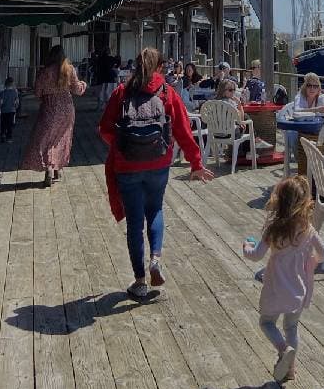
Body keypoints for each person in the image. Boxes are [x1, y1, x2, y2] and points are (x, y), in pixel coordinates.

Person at [99, 47, 214, 298]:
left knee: (134, 222)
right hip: (159, 163)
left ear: (135, 66)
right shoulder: (167, 92)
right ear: (159, 68)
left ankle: (139, 281)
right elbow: (183, 131)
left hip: (127, 166)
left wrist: (123, 148)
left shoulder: (121, 92)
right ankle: (155, 259)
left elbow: (105, 129)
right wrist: (195, 163)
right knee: (156, 210)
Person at [243, 175, 324, 382]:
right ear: (304, 202)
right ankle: (290, 369)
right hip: (299, 289)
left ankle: (283, 350)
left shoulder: (273, 230)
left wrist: (246, 246)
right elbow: (323, 252)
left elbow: (256, 256)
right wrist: (312, 262)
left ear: (279, 200)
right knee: (291, 327)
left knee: (266, 322)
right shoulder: (308, 229)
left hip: (276, 288)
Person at [21, 45, 87, 186]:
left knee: (46, 140)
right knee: (62, 140)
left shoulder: (45, 72)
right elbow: (77, 90)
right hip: (67, 109)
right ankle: (57, 169)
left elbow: (37, 92)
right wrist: (83, 84)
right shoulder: (69, 70)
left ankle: (49, 171)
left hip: (49, 109)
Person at [0, 76, 19, 143]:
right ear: (13, 84)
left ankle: (3, 135)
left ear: (5, 84)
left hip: (4, 111)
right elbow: (16, 102)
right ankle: (9, 138)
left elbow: (1, 102)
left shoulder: (2, 93)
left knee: (3, 123)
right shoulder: (15, 92)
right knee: (10, 124)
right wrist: (16, 107)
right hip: (12, 111)